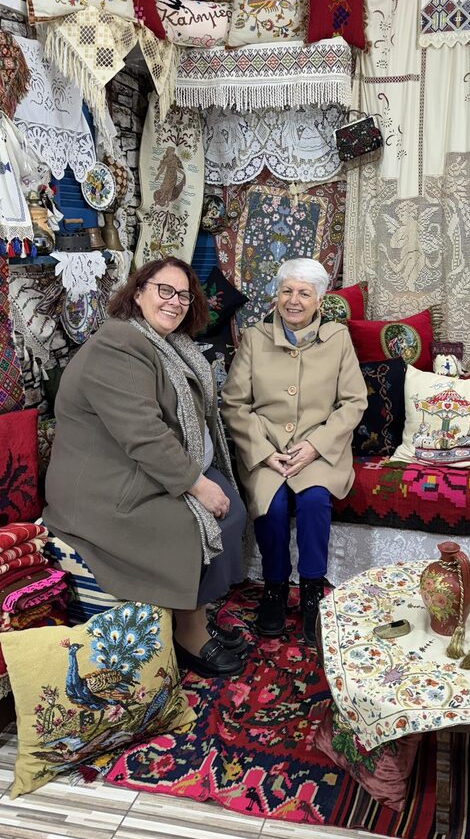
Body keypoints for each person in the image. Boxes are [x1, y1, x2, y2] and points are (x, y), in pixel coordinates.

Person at [44, 257, 247, 678]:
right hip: (108, 488)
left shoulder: (167, 345)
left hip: (137, 469)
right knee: (199, 520)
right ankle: (189, 634)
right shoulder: (118, 345)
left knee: (234, 507)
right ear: (138, 293)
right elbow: (144, 434)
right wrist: (196, 483)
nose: (174, 302)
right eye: (164, 290)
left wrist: (205, 478)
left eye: (184, 295)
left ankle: (198, 616)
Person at [220, 258, 368, 645]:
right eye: (287, 290)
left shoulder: (337, 338)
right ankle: (274, 588)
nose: (294, 300)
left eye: (304, 293)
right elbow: (234, 404)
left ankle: (312, 591)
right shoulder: (255, 338)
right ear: (277, 295)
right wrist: (264, 452)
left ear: (319, 300)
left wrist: (316, 446)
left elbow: (353, 402)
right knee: (272, 505)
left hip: (319, 447)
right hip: (266, 447)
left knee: (315, 500)